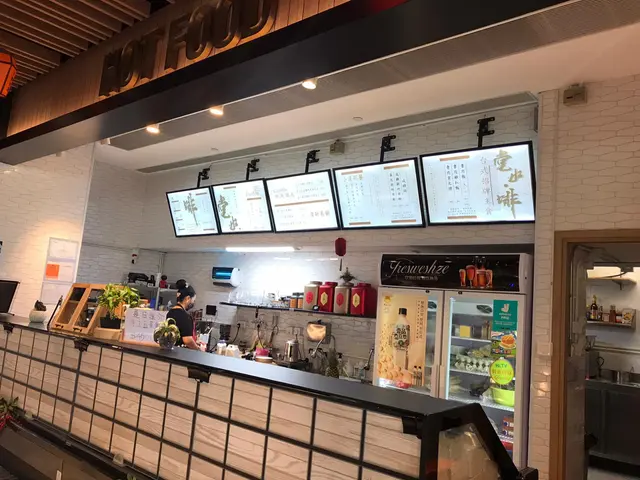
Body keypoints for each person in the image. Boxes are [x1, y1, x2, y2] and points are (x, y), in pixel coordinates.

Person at [166, 279, 204, 351]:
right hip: (181, 353)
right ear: (188, 298)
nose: (193, 303)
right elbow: (187, 340)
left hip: (171, 350)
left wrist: (195, 343)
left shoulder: (170, 312)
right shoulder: (185, 317)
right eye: (193, 300)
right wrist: (198, 349)